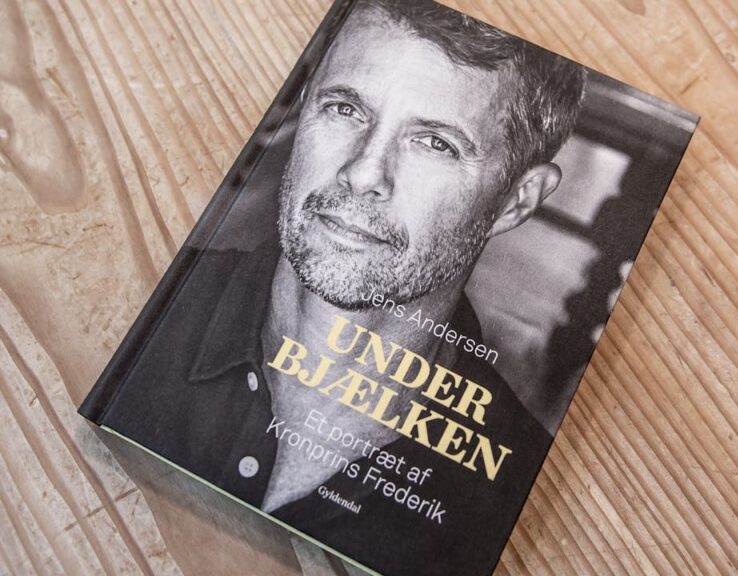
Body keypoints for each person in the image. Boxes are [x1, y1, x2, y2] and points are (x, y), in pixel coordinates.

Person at [92, 1, 586, 574]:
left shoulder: (509, 493)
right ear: (304, 104)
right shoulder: (126, 300)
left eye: (435, 143)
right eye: (345, 108)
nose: (363, 173)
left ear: (515, 201)